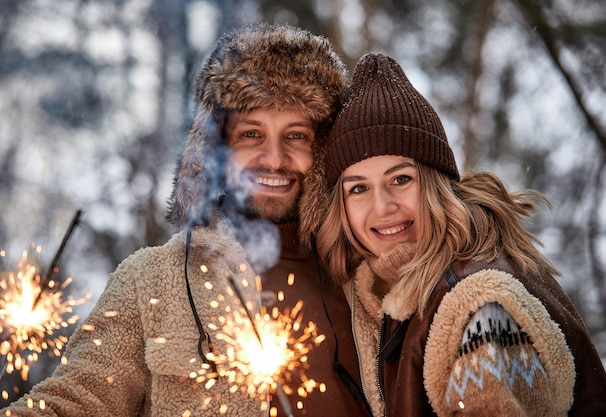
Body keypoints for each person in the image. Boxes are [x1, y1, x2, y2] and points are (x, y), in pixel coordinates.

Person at [1, 23, 370, 416]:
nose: (275, 159)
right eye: (251, 135)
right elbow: (76, 402)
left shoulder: (364, 278)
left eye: (296, 136)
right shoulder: (153, 279)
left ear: (325, 146)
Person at [300, 53, 606, 416]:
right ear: (340, 207)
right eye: (358, 189)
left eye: (401, 179)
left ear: (436, 183)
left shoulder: (478, 308)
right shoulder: (403, 295)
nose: (383, 206)